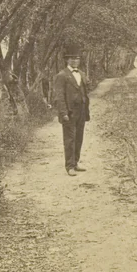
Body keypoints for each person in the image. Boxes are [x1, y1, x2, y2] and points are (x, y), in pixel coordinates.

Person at [52, 45, 91, 176]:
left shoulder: (82, 74)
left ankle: (76, 162)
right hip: (69, 112)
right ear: (67, 60)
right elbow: (59, 96)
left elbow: (85, 92)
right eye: (72, 59)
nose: (75, 61)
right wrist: (63, 113)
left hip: (81, 111)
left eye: (77, 58)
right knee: (69, 139)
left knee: (79, 138)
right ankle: (69, 166)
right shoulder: (62, 75)